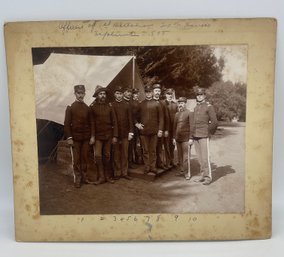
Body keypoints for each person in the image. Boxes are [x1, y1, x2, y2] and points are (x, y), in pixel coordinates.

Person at [64, 85, 95, 188]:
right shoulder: (70, 107)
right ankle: (77, 178)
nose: (80, 95)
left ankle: (84, 177)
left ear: (85, 94)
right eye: (78, 93)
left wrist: (92, 136)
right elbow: (67, 124)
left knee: (85, 158)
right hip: (75, 139)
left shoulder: (87, 108)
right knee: (76, 159)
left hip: (86, 138)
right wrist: (69, 138)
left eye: (82, 93)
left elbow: (91, 123)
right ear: (75, 94)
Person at [89, 85, 118, 185]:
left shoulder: (110, 107)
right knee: (97, 155)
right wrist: (92, 136)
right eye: (100, 94)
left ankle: (108, 176)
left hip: (109, 136)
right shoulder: (92, 108)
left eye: (104, 94)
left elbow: (114, 122)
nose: (102, 95)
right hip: (98, 136)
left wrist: (115, 136)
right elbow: (92, 123)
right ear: (97, 96)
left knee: (107, 155)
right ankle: (101, 177)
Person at [192, 87, 218, 185]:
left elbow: (214, 122)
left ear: (204, 96)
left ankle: (208, 177)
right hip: (195, 135)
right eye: (198, 95)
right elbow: (193, 122)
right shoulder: (196, 107)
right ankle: (202, 175)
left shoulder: (209, 106)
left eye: (201, 94)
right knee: (199, 157)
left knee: (205, 157)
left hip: (204, 135)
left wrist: (208, 132)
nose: (199, 96)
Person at [135, 85, 164, 174]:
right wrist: (137, 124)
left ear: (152, 93)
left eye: (149, 92)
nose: (148, 94)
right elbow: (134, 117)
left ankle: (153, 167)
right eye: (146, 92)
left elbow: (161, 118)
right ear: (145, 93)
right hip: (144, 132)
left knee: (153, 150)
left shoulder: (157, 104)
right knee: (145, 150)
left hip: (154, 131)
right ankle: (147, 167)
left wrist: (160, 130)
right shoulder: (141, 104)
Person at [112, 86, 134, 180]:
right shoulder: (111, 105)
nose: (119, 96)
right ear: (114, 94)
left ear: (123, 94)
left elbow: (130, 119)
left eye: (120, 94)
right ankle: (117, 172)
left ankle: (124, 172)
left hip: (125, 134)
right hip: (115, 134)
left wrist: (131, 132)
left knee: (125, 153)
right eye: (117, 93)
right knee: (116, 154)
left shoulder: (127, 105)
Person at [173, 97, 193, 180]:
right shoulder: (177, 114)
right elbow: (174, 127)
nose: (181, 104)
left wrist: (191, 138)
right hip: (178, 138)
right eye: (179, 103)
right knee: (180, 156)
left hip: (186, 138)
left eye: (182, 103)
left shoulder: (189, 113)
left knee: (186, 157)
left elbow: (192, 126)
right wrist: (174, 138)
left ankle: (187, 173)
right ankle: (182, 171)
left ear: (185, 103)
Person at [152, 84, 170, 169]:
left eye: (159, 91)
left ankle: (160, 163)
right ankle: (153, 165)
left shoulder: (162, 103)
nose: (157, 93)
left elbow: (166, 117)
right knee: (152, 148)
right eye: (156, 91)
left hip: (160, 129)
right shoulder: (149, 102)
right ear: (153, 92)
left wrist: (165, 129)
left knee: (159, 147)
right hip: (151, 130)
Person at [164, 88, 178, 168]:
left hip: (173, 127)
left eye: (171, 94)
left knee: (172, 144)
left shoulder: (175, 104)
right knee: (166, 144)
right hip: (166, 127)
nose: (169, 96)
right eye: (168, 94)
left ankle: (172, 160)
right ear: (166, 95)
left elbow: (177, 115)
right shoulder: (163, 103)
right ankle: (167, 161)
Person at [128, 88, 142, 166]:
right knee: (131, 145)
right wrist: (136, 123)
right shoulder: (130, 103)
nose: (136, 95)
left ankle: (138, 159)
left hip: (139, 126)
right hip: (133, 126)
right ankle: (131, 161)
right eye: (135, 93)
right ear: (132, 94)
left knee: (138, 144)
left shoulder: (139, 103)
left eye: (137, 93)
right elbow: (131, 116)